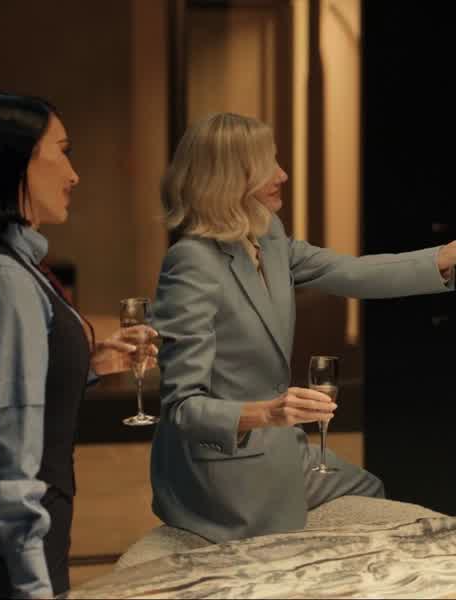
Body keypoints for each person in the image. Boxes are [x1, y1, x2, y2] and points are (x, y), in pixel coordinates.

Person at [150, 112, 456, 544]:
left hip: (281, 446)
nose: (283, 174)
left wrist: (443, 259)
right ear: (229, 177)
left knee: (369, 487)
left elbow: (350, 272)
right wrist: (268, 413)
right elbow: (182, 407)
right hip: (223, 468)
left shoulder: (267, 235)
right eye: (267, 164)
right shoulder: (191, 263)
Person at [0, 91, 157, 599]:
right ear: (16, 160)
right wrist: (32, 584)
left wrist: (87, 364)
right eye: (62, 152)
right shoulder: (1, 278)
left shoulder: (11, 266)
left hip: (3, 534)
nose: (74, 174)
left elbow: (11, 385)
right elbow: (8, 455)